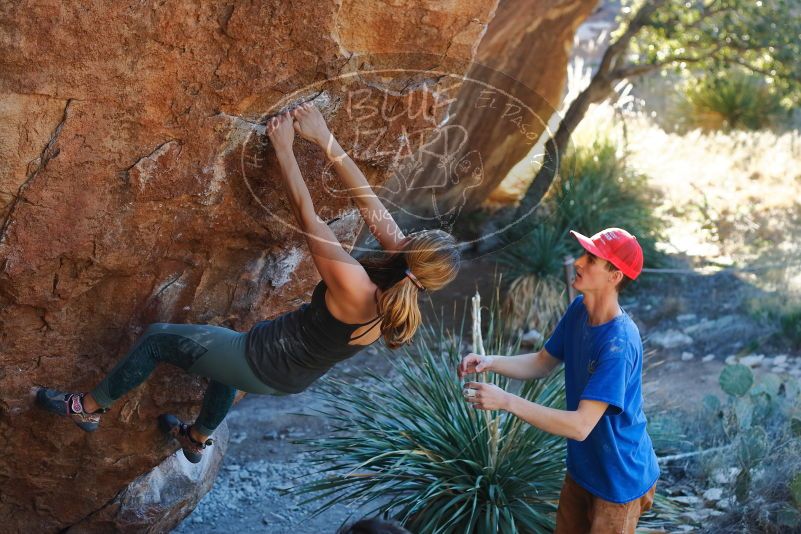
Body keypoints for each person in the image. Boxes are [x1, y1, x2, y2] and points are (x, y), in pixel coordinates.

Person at [35, 102, 460, 463]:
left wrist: (285, 148)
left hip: (263, 361)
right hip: (286, 369)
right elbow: (368, 199)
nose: (403, 233)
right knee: (224, 362)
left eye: (412, 238)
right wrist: (324, 137)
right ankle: (196, 438)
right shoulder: (403, 288)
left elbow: (307, 217)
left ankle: (87, 407)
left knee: (158, 338)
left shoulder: (357, 287)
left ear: (409, 253)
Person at [458, 228, 659, 534]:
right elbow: (541, 362)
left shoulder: (619, 345)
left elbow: (580, 426)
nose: (578, 261)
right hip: (583, 469)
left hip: (618, 481)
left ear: (614, 276)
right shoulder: (579, 309)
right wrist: (491, 362)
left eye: (591, 259)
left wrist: (506, 401)